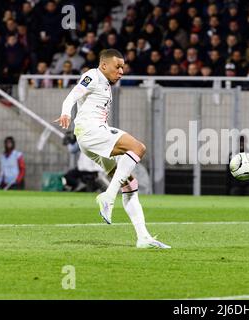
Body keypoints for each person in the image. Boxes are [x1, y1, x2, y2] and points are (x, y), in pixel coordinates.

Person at [54, 49, 170, 249]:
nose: (121, 71)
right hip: (91, 131)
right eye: (118, 67)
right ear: (104, 65)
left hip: (93, 138)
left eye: (123, 67)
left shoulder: (106, 84)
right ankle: (108, 197)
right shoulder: (93, 75)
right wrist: (66, 113)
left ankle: (143, 237)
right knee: (138, 147)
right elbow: (71, 97)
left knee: (129, 184)